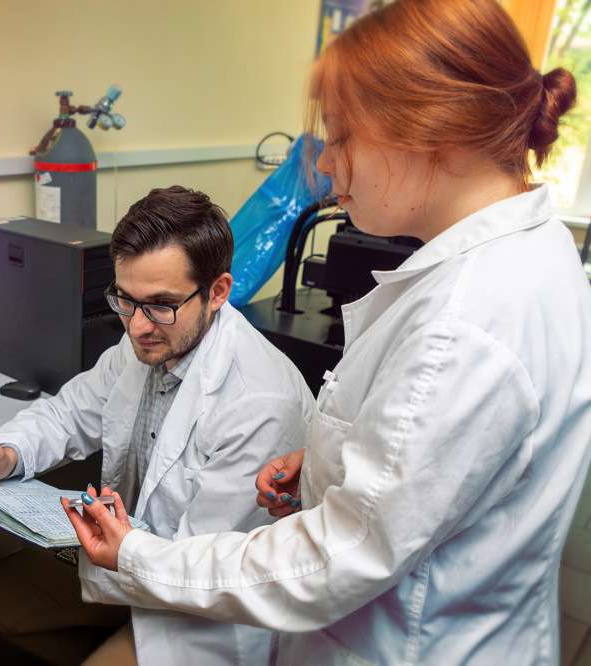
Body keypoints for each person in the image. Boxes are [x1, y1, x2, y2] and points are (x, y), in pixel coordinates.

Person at [63, 1, 591, 664]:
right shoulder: (533, 250)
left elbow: (332, 561)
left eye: (341, 137)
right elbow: (446, 464)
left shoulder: (464, 323)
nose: (328, 166)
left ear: (432, 129)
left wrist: (137, 555)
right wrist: (328, 467)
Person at [0, 185, 314, 665]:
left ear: (218, 292)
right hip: (131, 561)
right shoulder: (151, 338)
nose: (137, 326)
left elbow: (201, 569)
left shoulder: (259, 403)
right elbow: (71, 411)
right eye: (125, 300)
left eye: (160, 304)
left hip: (206, 606)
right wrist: (8, 452)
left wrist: (123, 557)